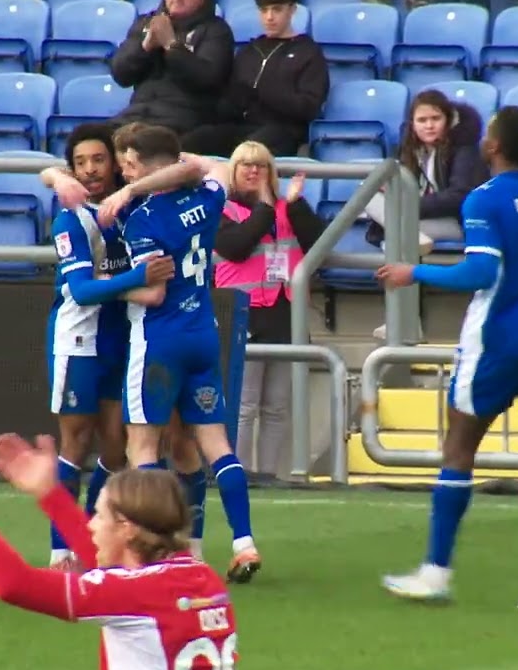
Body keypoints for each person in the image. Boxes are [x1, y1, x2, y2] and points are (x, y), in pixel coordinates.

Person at [375, 106, 518, 610]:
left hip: (497, 339)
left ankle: (436, 571)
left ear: (494, 146)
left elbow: (479, 273)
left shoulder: (484, 199)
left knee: (459, 447)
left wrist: (414, 273)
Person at [0, 433, 238, 670]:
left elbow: (14, 584)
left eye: (100, 516)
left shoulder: (134, 594)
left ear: (127, 529)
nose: (90, 525)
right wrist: (49, 494)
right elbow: (121, 573)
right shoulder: (204, 580)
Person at [96, 125, 261, 583]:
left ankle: (156, 558)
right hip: (203, 333)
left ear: (142, 166)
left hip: (158, 341)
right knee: (217, 446)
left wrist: (104, 291)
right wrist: (167, 165)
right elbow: (212, 166)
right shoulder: (206, 199)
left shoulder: (140, 218)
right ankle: (243, 542)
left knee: (144, 448)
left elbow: (150, 292)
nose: (122, 172)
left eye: (127, 163)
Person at [43, 120, 212, 562]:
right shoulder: (71, 216)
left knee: (118, 448)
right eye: (79, 163)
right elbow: (79, 290)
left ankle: (94, 538)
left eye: (99, 159)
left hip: (123, 336)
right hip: (79, 339)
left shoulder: (133, 209)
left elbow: (192, 168)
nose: (90, 169)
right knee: (76, 445)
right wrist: (136, 278)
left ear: (119, 166)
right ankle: (62, 548)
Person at [214, 141, 323, 479]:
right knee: (244, 406)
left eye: (261, 165)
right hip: (243, 313)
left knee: (277, 406)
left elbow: (319, 244)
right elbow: (236, 246)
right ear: (233, 171)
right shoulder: (223, 208)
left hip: (285, 311)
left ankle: (269, 474)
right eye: (245, 164)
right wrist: (265, 207)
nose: (253, 171)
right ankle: (241, 473)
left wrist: (297, 205)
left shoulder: (287, 208)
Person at [368, 88, 489, 340]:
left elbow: (459, 197)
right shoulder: (411, 151)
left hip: (458, 221)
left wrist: (407, 205)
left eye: (435, 119)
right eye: (422, 120)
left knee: (395, 241)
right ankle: (407, 322)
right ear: (412, 125)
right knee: (367, 192)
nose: (429, 126)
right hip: (422, 220)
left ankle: (403, 323)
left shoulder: (464, 150)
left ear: (448, 120)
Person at [180, 0, 328, 157]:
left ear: (292, 10)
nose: (269, 17)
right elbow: (229, 100)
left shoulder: (308, 52)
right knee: (193, 141)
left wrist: (265, 92)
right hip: (243, 127)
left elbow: (309, 107)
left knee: (252, 149)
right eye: (264, 11)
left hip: (284, 132)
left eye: (277, 10)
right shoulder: (249, 51)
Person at [108, 0, 235, 134]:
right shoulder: (145, 23)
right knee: (88, 139)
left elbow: (208, 79)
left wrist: (171, 46)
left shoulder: (216, 30)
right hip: (133, 118)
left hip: (181, 123)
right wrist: (145, 47)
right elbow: (120, 74)